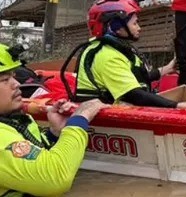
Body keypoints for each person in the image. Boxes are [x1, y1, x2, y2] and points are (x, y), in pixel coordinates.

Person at [0, 45, 108, 196]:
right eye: (5, 79)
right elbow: (55, 179)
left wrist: (55, 133)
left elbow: (35, 158)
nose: (17, 84)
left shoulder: (13, 120)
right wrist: (79, 119)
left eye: (13, 76)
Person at [70, 0, 186, 110]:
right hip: (99, 117)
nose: (139, 28)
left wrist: (167, 69)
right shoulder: (107, 56)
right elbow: (134, 95)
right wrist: (175, 105)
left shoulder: (113, 49)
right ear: (116, 27)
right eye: (135, 23)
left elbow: (136, 76)